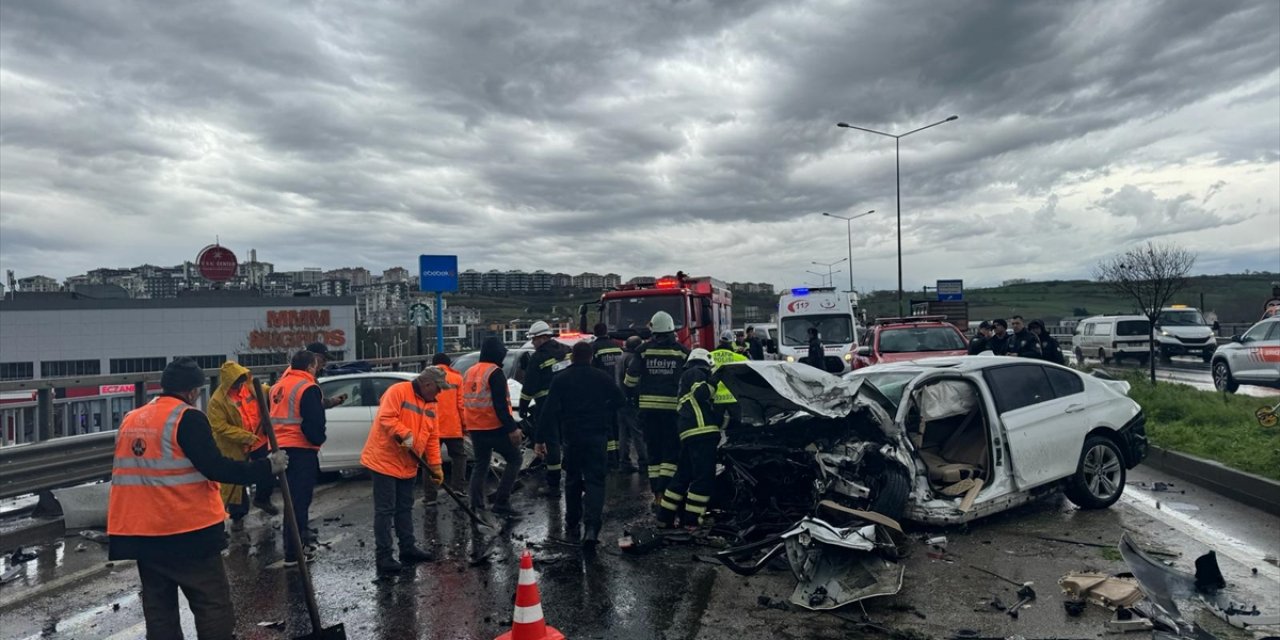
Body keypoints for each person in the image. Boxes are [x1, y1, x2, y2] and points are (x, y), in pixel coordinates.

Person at [108, 358, 288, 639]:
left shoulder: (132, 419)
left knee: (159, 611)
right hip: (186, 531)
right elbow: (216, 467)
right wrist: (267, 467)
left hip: (141, 534)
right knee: (212, 605)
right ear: (193, 391)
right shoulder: (187, 418)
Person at [360, 366, 450, 576]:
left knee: (404, 507)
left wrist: (436, 466)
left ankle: (407, 548)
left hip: (408, 464)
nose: (440, 393)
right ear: (427, 384)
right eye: (438, 389)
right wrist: (405, 434)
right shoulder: (398, 391)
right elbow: (386, 418)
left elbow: (433, 437)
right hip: (384, 460)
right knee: (385, 510)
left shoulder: (431, 404)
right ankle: (384, 557)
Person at [537, 342, 627, 548]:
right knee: (596, 481)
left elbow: (548, 411)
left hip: (572, 437)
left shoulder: (561, 379)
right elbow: (620, 400)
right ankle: (592, 529)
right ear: (591, 356)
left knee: (573, 479)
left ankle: (572, 521)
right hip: (597, 436)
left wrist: (539, 439)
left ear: (572, 357)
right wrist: (604, 410)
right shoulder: (601, 377)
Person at [269, 349, 327, 566]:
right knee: (299, 502)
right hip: (301, 449)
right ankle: (294, 552)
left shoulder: (278, 386)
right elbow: (313, 422)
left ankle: (293, 548)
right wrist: (317, 441)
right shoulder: (307, 387)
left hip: (279, 448)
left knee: (290, 500)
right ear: (311, 366)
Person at [624, 311, 689, 499]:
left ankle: (657, 494)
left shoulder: (643, 351)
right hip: (673, 412)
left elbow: (630, 380)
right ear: (670, 329)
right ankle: (667, 491)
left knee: (653, 452)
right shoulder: (681, 352)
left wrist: (632, 397)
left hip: (648, 412)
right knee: (671, 452)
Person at [657, 349, 719, 529]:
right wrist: (716, 380)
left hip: (689, 433)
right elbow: (701, 393)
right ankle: (692, 521)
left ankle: (664, 517)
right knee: (703, 477)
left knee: (682, 476)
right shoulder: (696, 372)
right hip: (701, 432)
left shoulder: (687, 375)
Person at [462, 337, 523, 517]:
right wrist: (512, 428)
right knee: (515, 459)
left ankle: (476, 505)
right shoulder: (494, 373)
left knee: (481, 464)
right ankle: (501, 502)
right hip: (494, 426)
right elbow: (500, 405)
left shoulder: (469, 372)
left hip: (475, 428)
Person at [207, 361, 271, 531]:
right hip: (236, 445)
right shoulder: (218, 401)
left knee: (267, 470)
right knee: (237, 481)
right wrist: (244, 436)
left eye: (242, 379)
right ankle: (238, 516)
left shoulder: (251, 387)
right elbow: (219, 427)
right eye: (237, 380)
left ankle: (263, 498)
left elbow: (268, 393)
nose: (240, 383)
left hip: (259, 440)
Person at [519, 320, 571, 498]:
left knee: (552, 444)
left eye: (534, 339)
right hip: (569, 404)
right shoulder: (566, 351)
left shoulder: (538, 357)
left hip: (547, 406)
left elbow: (529, 386)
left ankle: (554, 485)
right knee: (570, 441)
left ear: (542, 338)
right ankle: (575, 480)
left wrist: (523, 408)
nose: (533, 343)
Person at [423, 353, 467, 503]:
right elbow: (461, 405)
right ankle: (458, 489)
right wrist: (464, 425)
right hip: (452, 426)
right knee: (459, 458)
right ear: (449, 364)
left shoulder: (426, 379)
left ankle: (430, 496)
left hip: (431, 427)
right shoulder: (457, 378)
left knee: (430, 461)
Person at [590, 323, 625, 466]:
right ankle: (619, 456)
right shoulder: (616, 346)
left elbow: (591, 370)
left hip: (601, 392)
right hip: (618, 388)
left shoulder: (594, 348)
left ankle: (610, 458)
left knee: (607, 425)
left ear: (595, 332)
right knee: (617, 424)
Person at [614, 336, 648, 474]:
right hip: (631, 401)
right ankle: (644, 462)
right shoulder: (633, 359)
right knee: (638, 432)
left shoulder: (621, 357)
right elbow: (634, 381)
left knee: (623, 433)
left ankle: (624, 462)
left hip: (620, 400)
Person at [709, 331, 747, 429]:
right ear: (732, 342)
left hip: (715, 399)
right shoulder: (739, 358)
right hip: (734, 398)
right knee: (736, 428)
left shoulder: (709, 356)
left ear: (720, 341)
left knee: (714, 427)